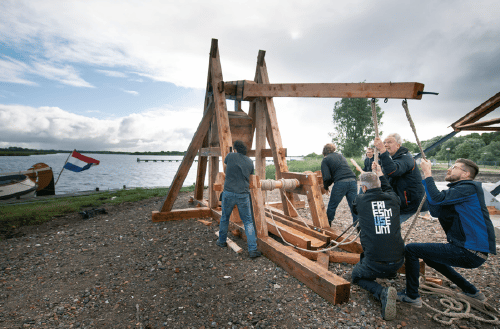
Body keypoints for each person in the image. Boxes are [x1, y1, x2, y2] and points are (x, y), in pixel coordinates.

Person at [398, 159, 497, 307]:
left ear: (466, 173)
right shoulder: (459, 191)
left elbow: (437, 200)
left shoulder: (468, 188)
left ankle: (412, 296)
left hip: (470, 251)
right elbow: (436, 211)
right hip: (472, 252)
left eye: (454, 167)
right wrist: (428, 186)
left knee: (411, 249)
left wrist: (427, 174)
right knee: (430, 258)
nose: (449, 170)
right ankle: (471, 291)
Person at [351, 163, 404, 321]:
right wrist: (380, 174)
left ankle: (382, 293)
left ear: (364, 188)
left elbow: (356, 208)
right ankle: (390, 274)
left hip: (376, 262)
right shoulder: (394, 199)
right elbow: (387, 189)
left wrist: (364, 190)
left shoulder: (360, 200)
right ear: (380, 184)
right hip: (398, 261)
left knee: (357, 276)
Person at [216, 140, 261, 259]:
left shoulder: (230, 156)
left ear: (235, 148)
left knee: (225, 217)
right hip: (243, 194)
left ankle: (221, 241)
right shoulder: (250, 161)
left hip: (229, 193)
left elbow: (226, 169)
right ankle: (252, 250)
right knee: (248, 222)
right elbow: (250, 176)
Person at [373, 134, 428, 223]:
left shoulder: (406, 158)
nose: (385, 145)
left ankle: (386, 235)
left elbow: (393, 171)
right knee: (381, 224)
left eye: (389, 142)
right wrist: (379, 172)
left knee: (388, 226)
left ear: (398, 145)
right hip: (396, 200)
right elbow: (386, 179)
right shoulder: (390, 159)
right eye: (384, 143)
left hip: (408, 203)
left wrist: (383, 150)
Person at [321, 143, 358, 225]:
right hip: (353, 181)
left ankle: (328, 224)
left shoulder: (325, 159)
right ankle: (358, 228)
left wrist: (326, 187)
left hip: (341, 182)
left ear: (324, 152)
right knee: (354, 206)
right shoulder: (341, 156)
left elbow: (326, 177)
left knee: (332, 205)